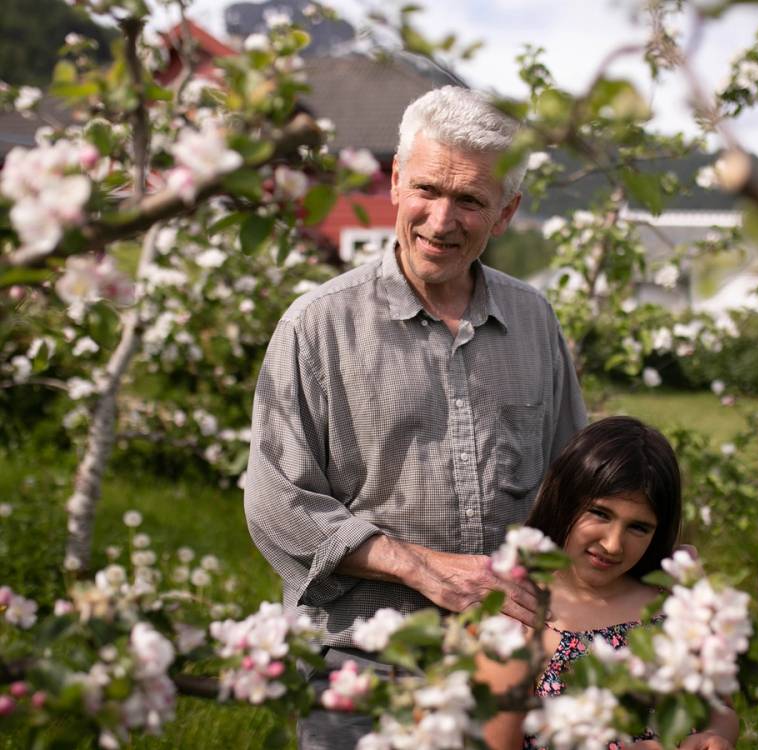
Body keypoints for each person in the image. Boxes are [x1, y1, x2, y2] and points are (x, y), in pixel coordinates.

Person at [244, 85, 587, 749]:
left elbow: (572, 483)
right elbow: (278, 506)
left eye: (470, 201)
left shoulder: (535, 322)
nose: (441, 218)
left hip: (514, 666)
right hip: (362, 667)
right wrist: (422, 567)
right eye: (427, 188)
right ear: (396, 180)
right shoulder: (317, 326)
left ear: (506, 212)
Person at [479, 416, 738, 750]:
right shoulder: (522, 617)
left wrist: (717, 736)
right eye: (600, 514)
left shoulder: (674, 604)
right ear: (564, 500)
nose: (613, 544)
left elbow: (722, 709)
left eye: (638, 528)